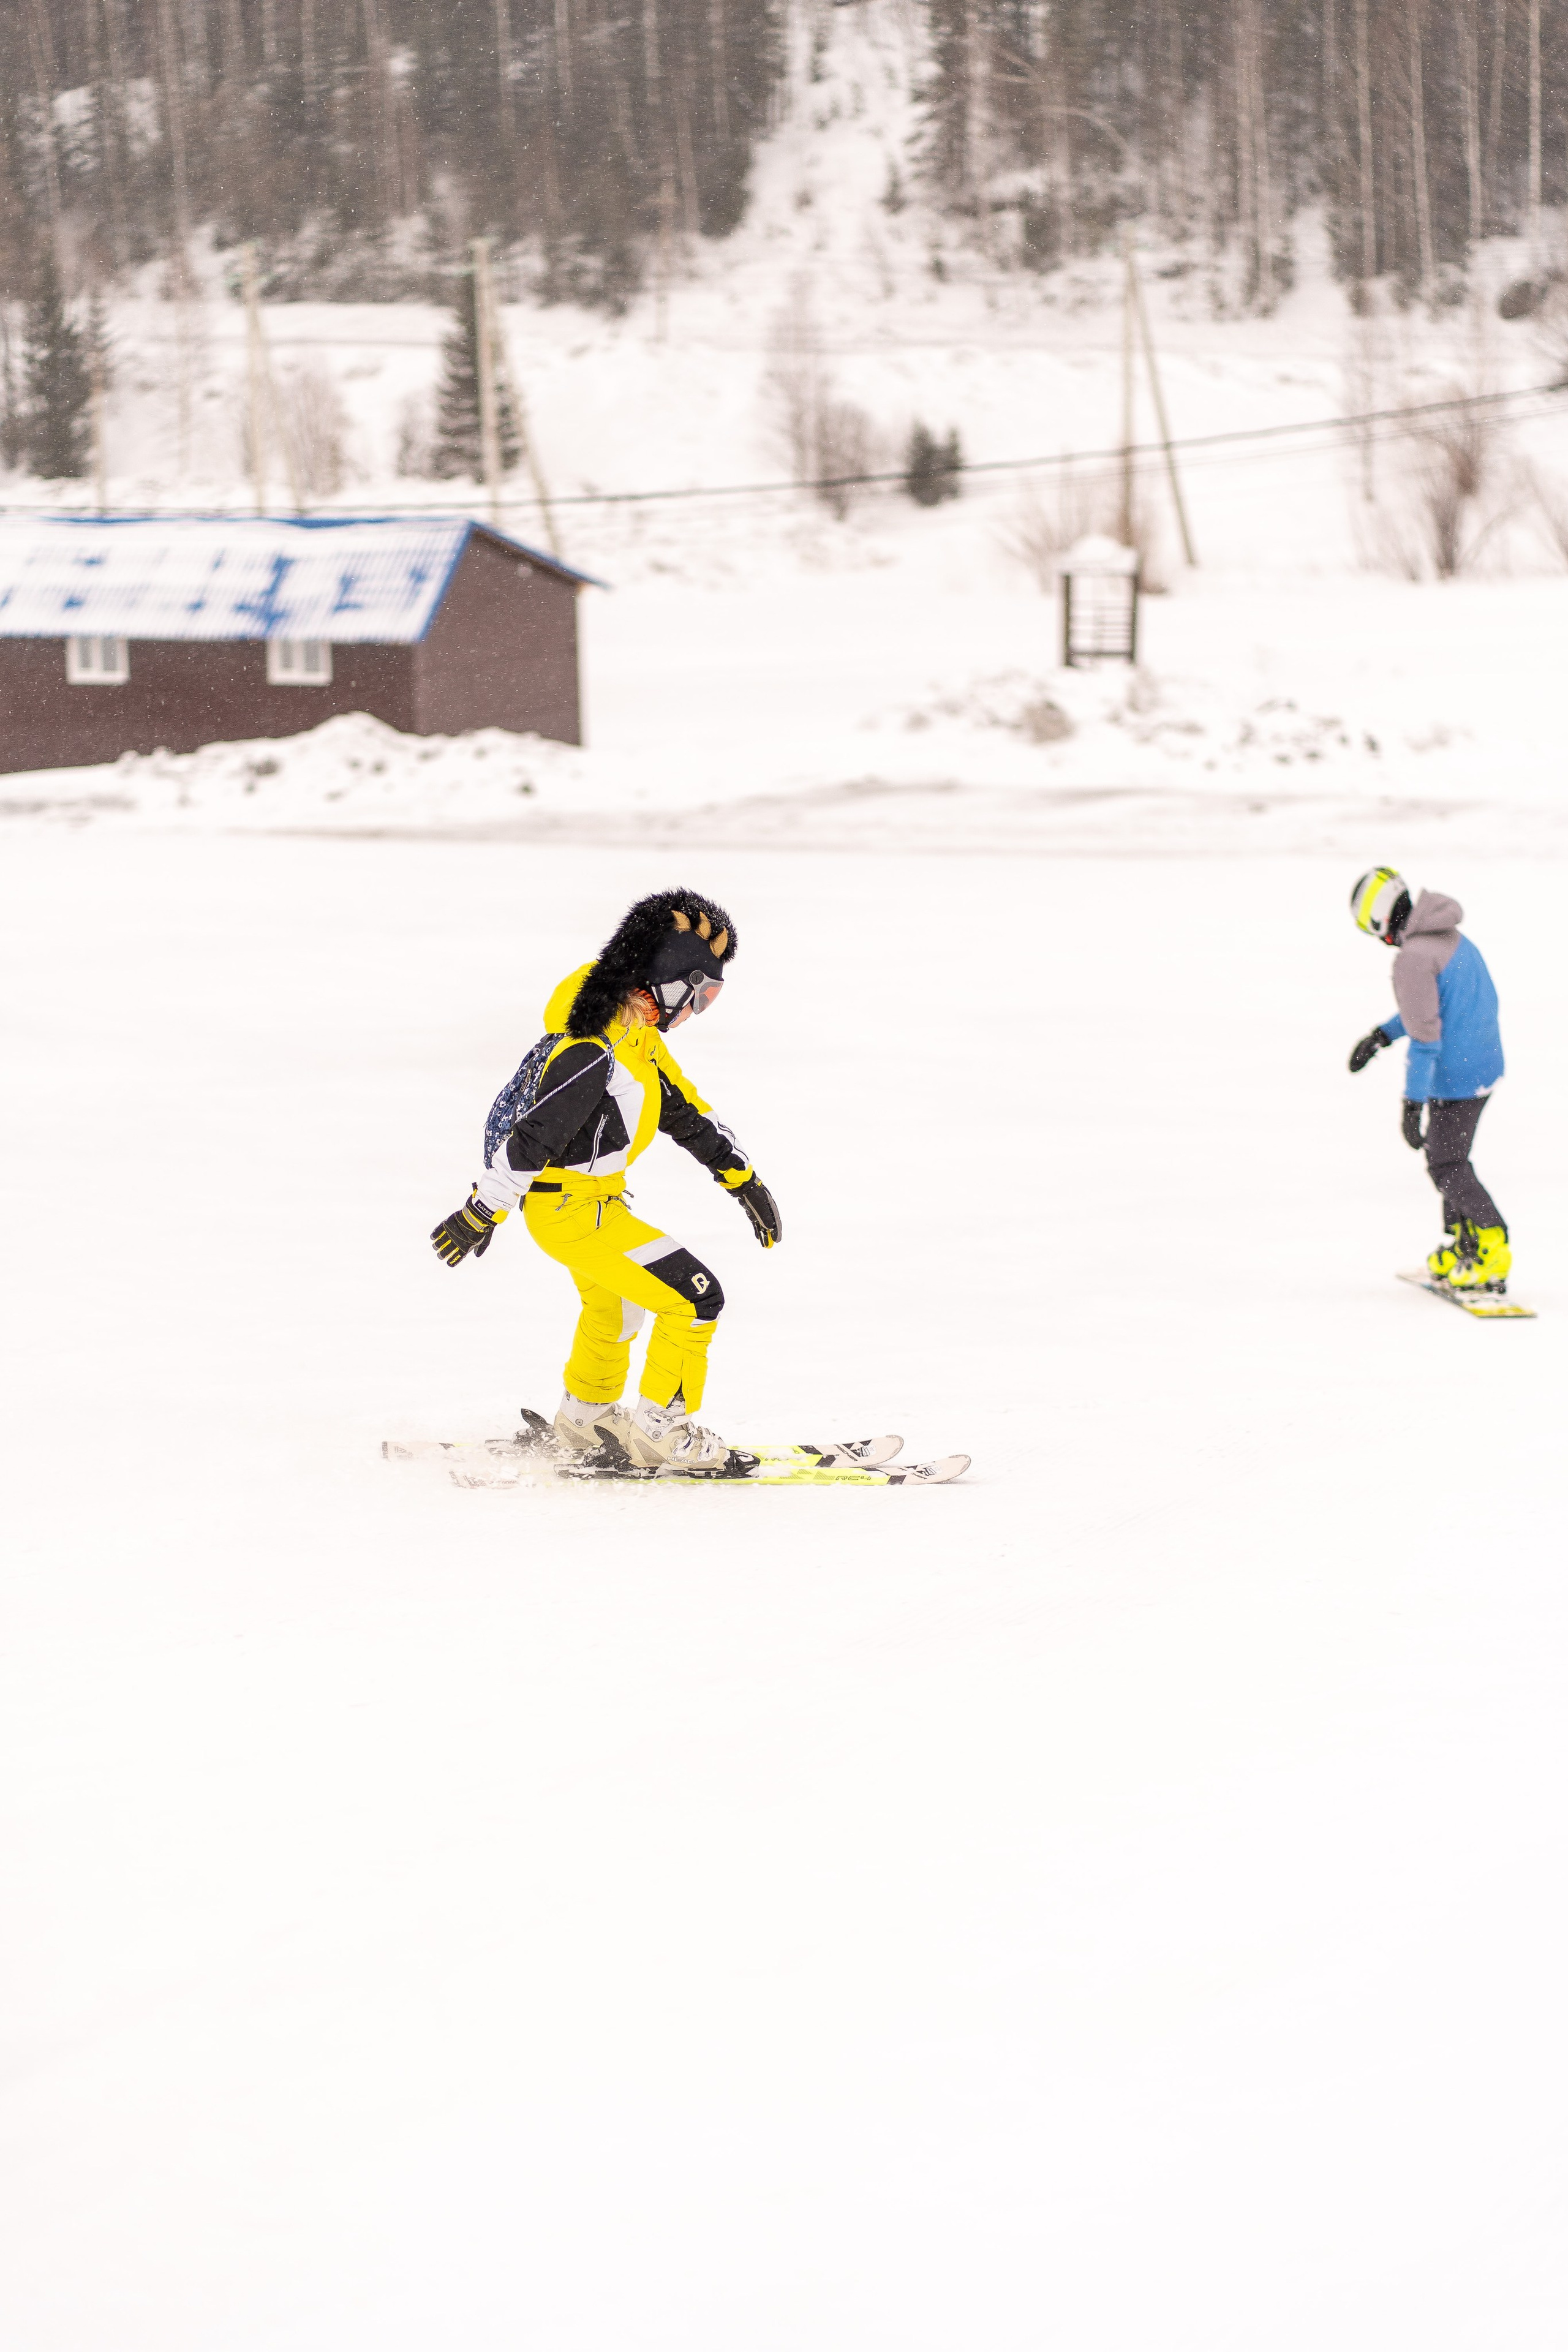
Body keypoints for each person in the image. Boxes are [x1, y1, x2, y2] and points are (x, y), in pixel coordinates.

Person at [429, 888, 781, 1471]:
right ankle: (662, 1432)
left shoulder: (636, 1043)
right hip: (570, 1213)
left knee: (616, 1310)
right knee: (695, 1299)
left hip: (593, 1207)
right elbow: (533, 1137)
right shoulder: (593, 1048)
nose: (697, 1012)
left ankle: (586, 1419)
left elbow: (684, 1114)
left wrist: (741, 1180)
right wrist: (480, 1210)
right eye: (701, 995)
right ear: (669, 980)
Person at [1347, 867, 1509, 1292]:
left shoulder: (1413, 957)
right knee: (1449, 1157)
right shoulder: (1448, 936)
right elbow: (1431, 1010)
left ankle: (1492, 1246)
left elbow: (1426, 1039)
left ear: (1380, 923)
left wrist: (1411, 1103)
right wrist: (1383, 1035)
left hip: (1456, 1076)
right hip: (1482, 1065)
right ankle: (1466, 1245)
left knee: (1446, 1163)